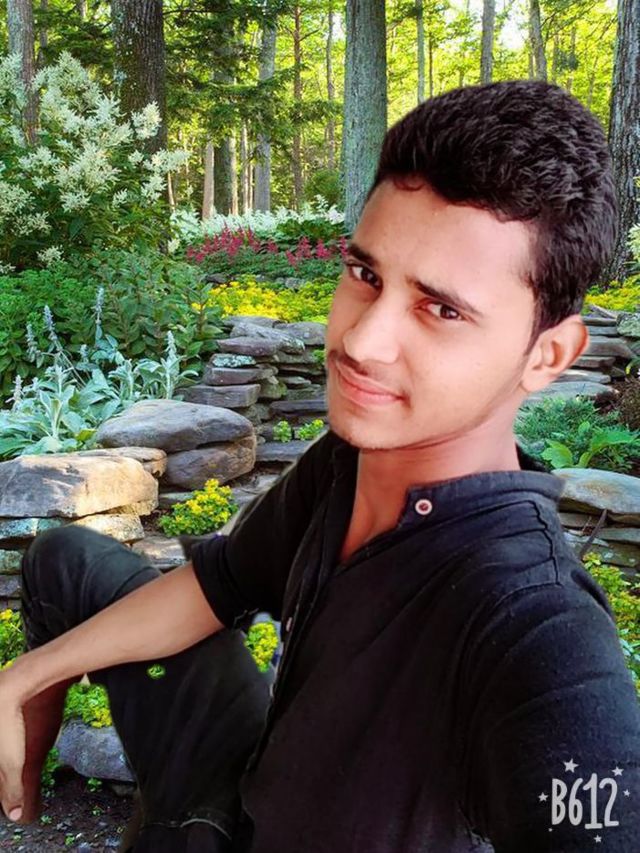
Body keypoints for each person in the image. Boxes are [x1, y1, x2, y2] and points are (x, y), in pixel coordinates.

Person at [1, 79, 639, 852]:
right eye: (366, 274)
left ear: (548, 354)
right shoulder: (347, 461)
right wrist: (30, 675)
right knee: (61, 558)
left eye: (442, 309)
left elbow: (596, 801)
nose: (361, 341)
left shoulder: (533, 622)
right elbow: (219, 583)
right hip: (239, 797)